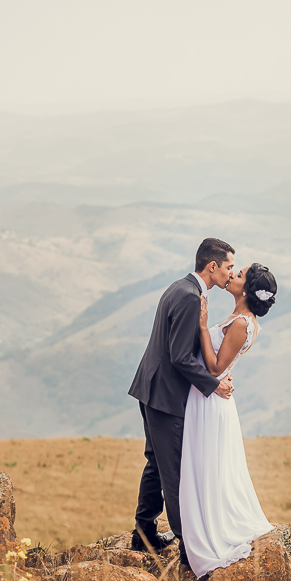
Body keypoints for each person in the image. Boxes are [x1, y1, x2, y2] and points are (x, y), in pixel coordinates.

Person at [127, 238, 237, 563]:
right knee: (173, 469)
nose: (231, 274)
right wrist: (214, 384)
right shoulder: (191, 298)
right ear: (212, 266)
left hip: (150, 389)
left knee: (155, 462)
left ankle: (143, 533)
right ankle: (189, 549)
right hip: (165, 397)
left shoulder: (181, 288)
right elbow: (179, 357)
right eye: (229, 267)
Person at [179, 261, 279, 578]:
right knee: (206, 463)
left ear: (247, 290)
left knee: (206, 464)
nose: (233, 274)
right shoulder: (240, 318)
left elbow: (214, 367)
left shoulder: (241, 323)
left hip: (209, 400)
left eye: (241, 274)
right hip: (209, 396)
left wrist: (201, 325)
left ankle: (211, 529)